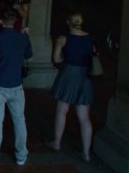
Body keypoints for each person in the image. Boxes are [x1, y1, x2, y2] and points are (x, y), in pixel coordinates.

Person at [0, 9, 33, 166]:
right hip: (16, 84)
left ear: (1, 22)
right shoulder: (22, 37)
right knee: (19, 120)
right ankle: (21, 155)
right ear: (15, 22)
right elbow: (29, 55)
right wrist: (25, 36)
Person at [46, 12, 95, 162]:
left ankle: (57, 142)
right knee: (84, 117)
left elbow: (56, 59)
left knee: (62, 111)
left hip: (68, 74)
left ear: (68, 22)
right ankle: (86, 152)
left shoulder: (63, 39)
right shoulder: (90, 39)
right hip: (84, 77)